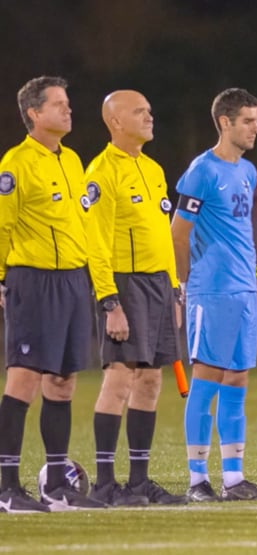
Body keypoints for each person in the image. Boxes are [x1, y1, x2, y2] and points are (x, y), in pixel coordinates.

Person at [0, 76, 121, 513]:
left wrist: (104, 292)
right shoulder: (16, 164)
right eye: (58, 104)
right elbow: (3, 226)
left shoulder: (72, 162)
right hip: (32, 280)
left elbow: (87, 230)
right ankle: (7, 487)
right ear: (34, 113)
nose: (68, 110)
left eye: (68, 103)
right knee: (25, 378)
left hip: (73, 282)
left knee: (64, 382)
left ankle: (56, 485)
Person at [173, 88, 257, 502]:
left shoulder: (249, 171)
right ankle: (198, 480)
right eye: (248, 121)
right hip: (211, 289)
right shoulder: (202, 170)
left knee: (236, 378)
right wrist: (184, 284)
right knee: (207, 378)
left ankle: (233, 479)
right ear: (225, 122)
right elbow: (179, 233)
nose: (256, 127)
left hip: (243, 288)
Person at [84, 90, 187, 506]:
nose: (149, 116)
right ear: (115, 122)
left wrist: (175, 288)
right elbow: (96, 242)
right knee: (120, 378)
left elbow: (161, 235)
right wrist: (110, 302)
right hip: (124, 285)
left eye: (149, 109)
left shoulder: (153, 168)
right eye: (139, 111)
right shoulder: (101, 173)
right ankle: (105, 484)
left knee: (150, 380)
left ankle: (139, 482)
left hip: (160, 286)